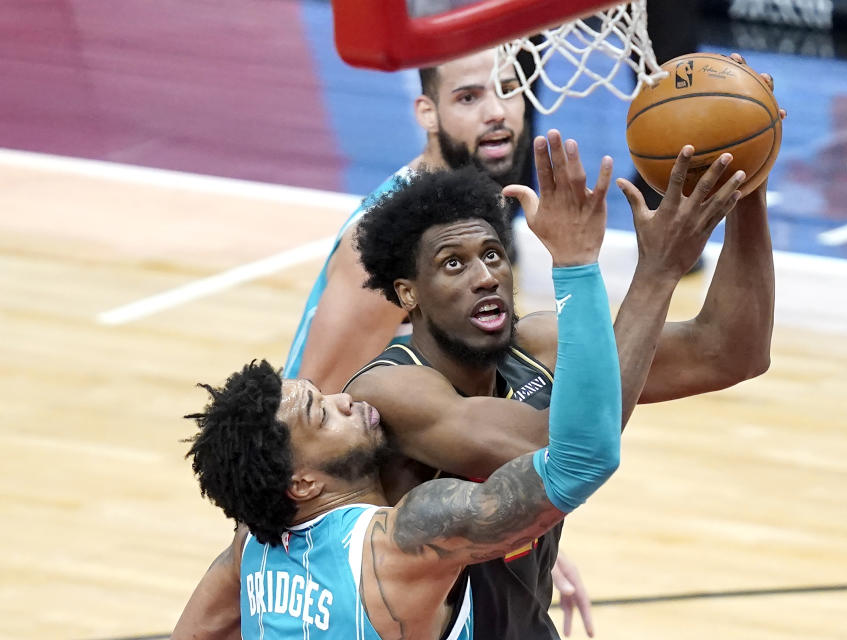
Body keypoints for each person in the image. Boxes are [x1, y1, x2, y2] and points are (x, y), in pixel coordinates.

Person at [171, 143, 625, 639]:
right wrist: (576, 264)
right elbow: (581, 460)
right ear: (300, 484)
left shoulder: (252, 550)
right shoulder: (407, 538)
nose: (345, 397)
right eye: (323, 414)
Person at [341, 122, 762, 640]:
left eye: (492, 254)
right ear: (409, 294)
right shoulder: (388, 391)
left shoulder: (537, 343)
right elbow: (563, 450)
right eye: (454, 264)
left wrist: (750, 179)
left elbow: (729, 352)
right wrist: (653, 274)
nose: (485, 276)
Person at [284, 48, 529, 393]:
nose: (497, 112)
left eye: (508, 89)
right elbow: (319, 401)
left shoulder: (474, 204)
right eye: (469, 97)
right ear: (428, 114)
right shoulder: (389, 238)